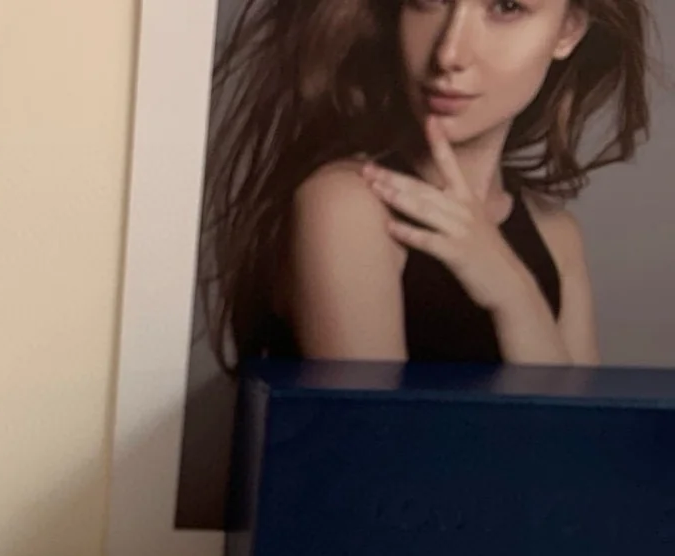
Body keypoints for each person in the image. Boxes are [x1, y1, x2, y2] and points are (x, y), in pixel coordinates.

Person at [199, 0, 656, 366]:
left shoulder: (557, 237)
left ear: (567, 31)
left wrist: (514, 294)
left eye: (506, 7)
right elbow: (372, 441)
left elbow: (580, 445)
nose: (449, 53)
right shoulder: (347, 206)